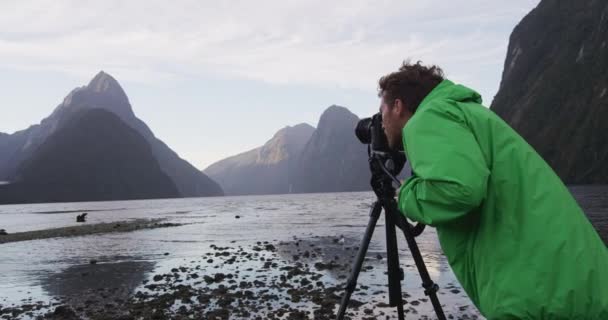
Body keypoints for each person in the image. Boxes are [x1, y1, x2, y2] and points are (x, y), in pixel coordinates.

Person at [378, 60, 608, 319]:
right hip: (575, 280)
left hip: (535, 294)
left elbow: (460, 189)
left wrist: (406, 196)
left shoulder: (428, 118)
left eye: (381, 110)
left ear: (397, 106)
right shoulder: (465, 113)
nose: (381, 122)